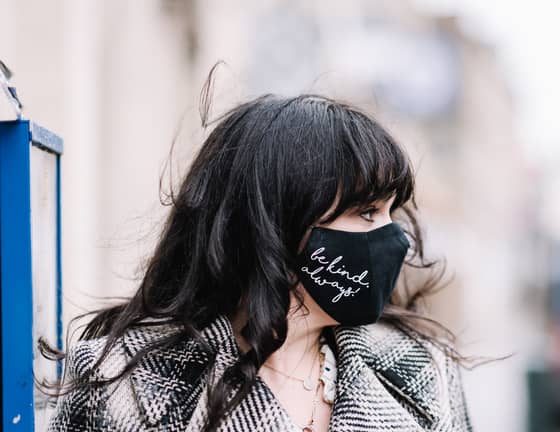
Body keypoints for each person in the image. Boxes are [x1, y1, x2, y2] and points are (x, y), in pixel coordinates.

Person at [45, 90, 473, 432]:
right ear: (278, 220)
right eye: (366, 212)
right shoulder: (120, 383)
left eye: (391, 212)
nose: (394, 237)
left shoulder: (423, 369)